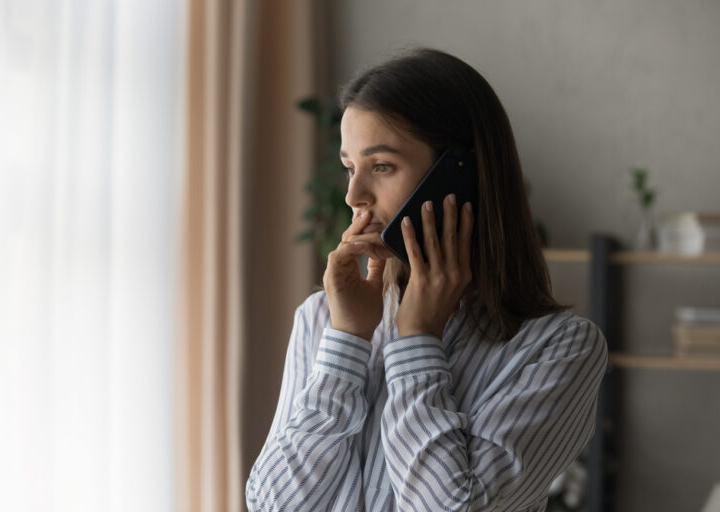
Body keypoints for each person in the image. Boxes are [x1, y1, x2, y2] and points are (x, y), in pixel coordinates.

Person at [245, 47, 608, 511]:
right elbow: (273, 506)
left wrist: (417, 341)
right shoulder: (324, 319)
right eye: (349, 168)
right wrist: (346, 342)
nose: (354, 195)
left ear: (460, 177)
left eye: (382, 166)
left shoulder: (558, 349)